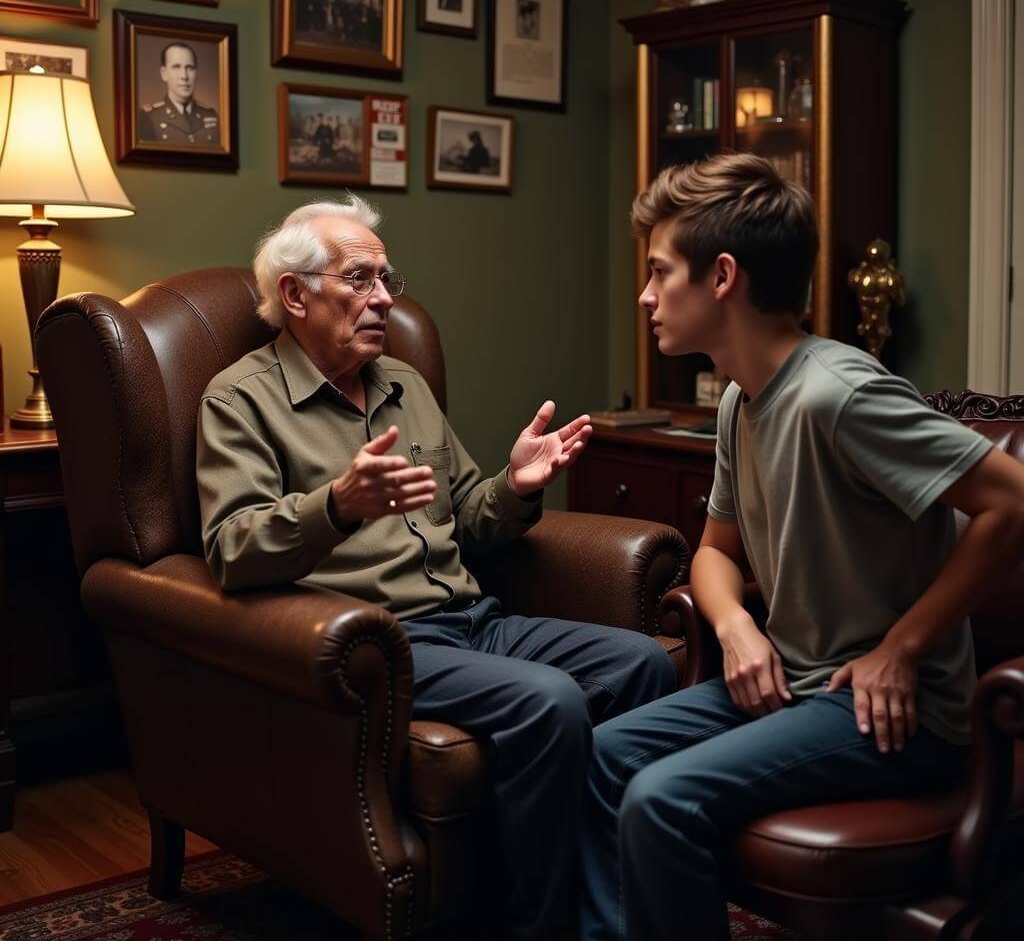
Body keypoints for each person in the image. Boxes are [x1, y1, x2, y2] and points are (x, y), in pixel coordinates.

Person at [196, 195, 678, 941]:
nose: (385, 298)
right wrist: (339, 505)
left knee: (642, 663)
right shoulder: (240, 400)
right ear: (295, 294)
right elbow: (230, 549)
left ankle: (615, 897)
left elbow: (472, 519)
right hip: (385, 644)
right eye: (359, 280)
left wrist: (515, 488)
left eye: (388, 279)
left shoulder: (404, 384)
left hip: (477, 621)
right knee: (550, 701)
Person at [579, 152, 1024, 941]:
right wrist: (736, 627)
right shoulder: (738, 401)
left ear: (721, 276)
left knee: (661, 797)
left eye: (658, 271)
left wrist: (902, 647)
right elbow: (715, 552)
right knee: (602, 751)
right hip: (799, 684)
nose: (645, 295)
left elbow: (1012, 502)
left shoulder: (840, 393)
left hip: (895, 711)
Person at [137, 42, 219, 146]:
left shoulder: (210, 114)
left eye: (190, 68)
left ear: (196, 73)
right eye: (176, 67)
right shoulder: (148, 117)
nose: (184, 76)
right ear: (164, 74)